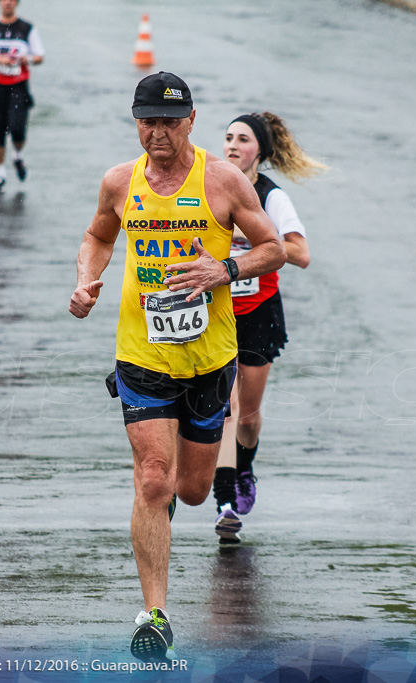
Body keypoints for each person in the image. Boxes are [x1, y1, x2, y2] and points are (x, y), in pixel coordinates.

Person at [68, 72, 285, 662]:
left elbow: (275, 249)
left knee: (189, 491)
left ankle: (169, 506)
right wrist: (86, 277)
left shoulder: (223, 181)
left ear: (190, 121)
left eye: (167, 121)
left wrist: (226, 270)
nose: (156, 132)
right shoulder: (121, 181)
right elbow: (98, 234)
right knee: (153, 478)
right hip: (141, 354)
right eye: (146, 120)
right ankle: (154, 614)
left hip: (210, 358)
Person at [211, 112, 326, 544]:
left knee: (249, 419)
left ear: (260, 149)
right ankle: (224, 501)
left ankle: (245, 468)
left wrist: (262, 242)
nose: (233, 145)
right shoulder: (213, 186)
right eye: (228, 138)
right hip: (217, 311)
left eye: (243, 139)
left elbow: (301, 253)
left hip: (258, 312)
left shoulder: (270, 197)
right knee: (226, 405)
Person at [0, 0, 45, 193]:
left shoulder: (26, 28)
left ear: (17, 3)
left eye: (12, 0)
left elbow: (39, 56)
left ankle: (18, 156)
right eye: (4, 0)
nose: (8, 3)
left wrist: (25, 58)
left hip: (18, 86)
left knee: (17, 128)